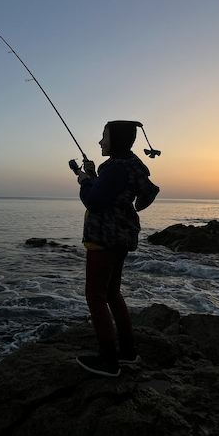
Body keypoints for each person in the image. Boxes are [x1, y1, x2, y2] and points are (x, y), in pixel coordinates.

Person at [74, 120, 157, 377]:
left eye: (104, 136)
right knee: (111, 293)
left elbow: (95, 201)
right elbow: (116, 195)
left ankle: (109, 361)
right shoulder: (129, 166)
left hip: (104, 240)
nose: (100, 142)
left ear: (117, 140)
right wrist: (96, 178)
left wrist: (86, 181)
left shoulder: (116, 169)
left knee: (95, 297)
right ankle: (128, 353)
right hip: (120, 239)